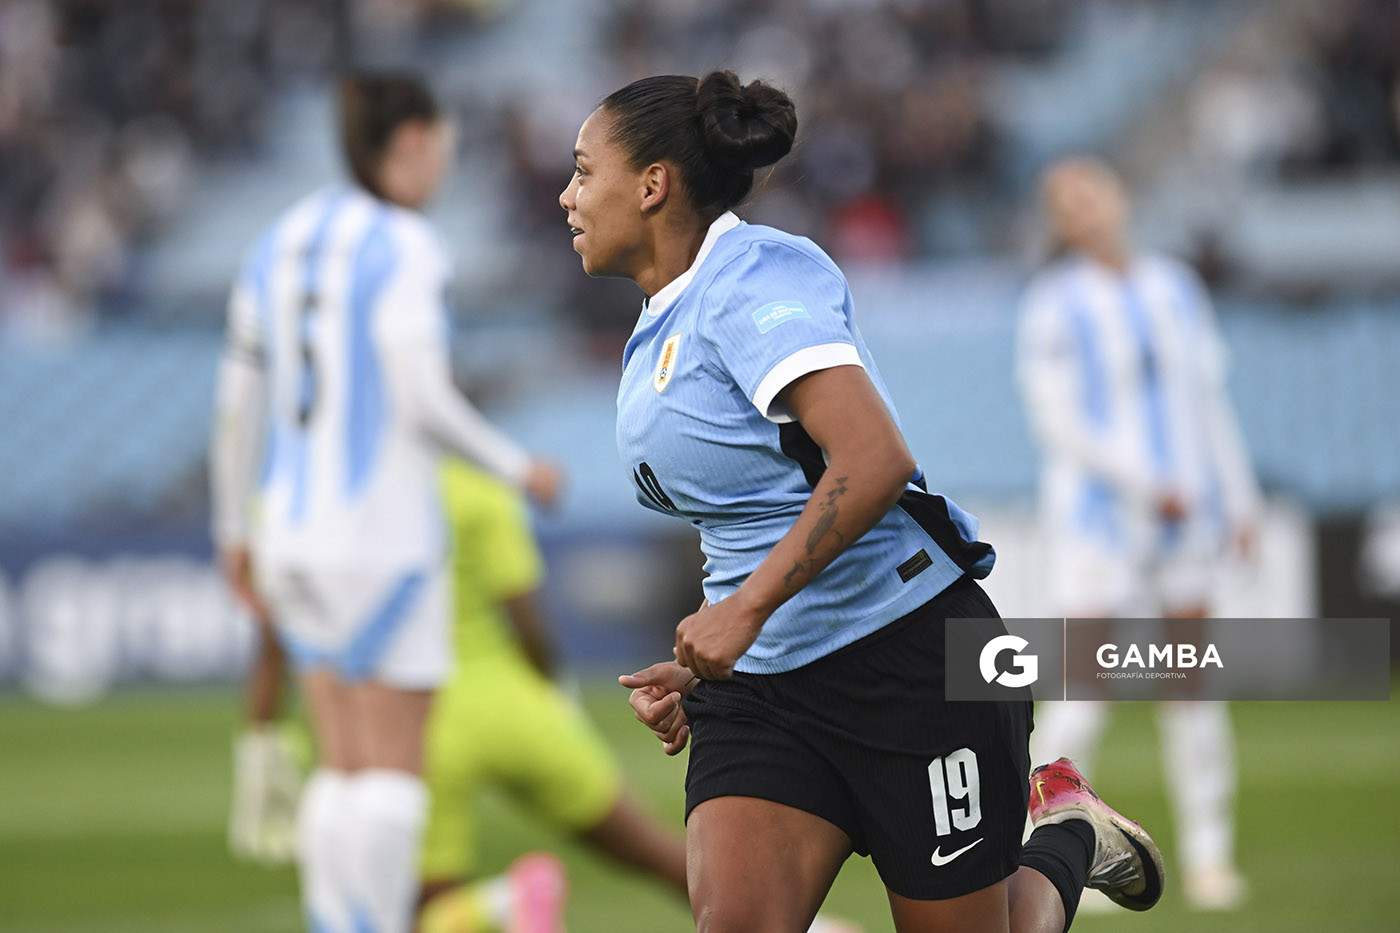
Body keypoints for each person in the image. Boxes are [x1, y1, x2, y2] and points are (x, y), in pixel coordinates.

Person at [562, 70, 1165, 933]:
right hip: (766, 694)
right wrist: (709, 640)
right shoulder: (660, 316)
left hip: (908, 662)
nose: (566, 193)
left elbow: (874, 458)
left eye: (584, 171)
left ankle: (1067, 835)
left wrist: (745, 612)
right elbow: (759, 503)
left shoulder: (755, 281)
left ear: (652, 183)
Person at [210, 71, 560, 933]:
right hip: (381, 538)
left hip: (286, 530)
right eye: (441, 148)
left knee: (340, 764)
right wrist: (517, 466)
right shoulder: (405, 243)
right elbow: (419, 391)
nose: (441, 167)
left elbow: (235, 402)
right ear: (409, 143)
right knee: (394, 773)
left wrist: (230, 530)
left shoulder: (278, 239)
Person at [1015, 156, 1259, 912]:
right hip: (1100, 526)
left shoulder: (1175, 286)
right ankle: (1052, 857)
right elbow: (1059, 424)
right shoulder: (1053, 304)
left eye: (1088, 191)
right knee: (1083, 695)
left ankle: (1211, 858)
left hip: (1185, 526)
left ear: (1120, 195)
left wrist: (1239, 498)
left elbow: (1207, 400)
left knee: (1192, 688)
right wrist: (1152, 485)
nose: (1079, 208)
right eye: (1063, 201)